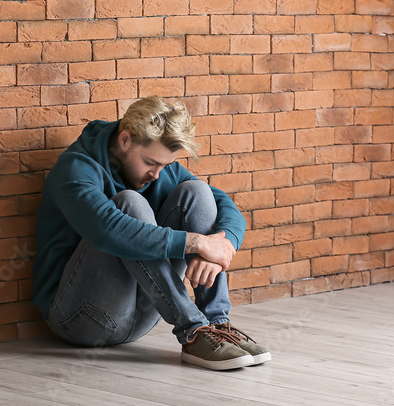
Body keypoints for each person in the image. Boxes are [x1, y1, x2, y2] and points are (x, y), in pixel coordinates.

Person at [32, 96, 270, 370]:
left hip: (144, 315)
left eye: (164, 166)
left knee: (198, 193)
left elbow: (224, 205)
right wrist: (196, 243)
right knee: (129, 204)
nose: (156, 175)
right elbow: (110, 231)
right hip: (81, 321)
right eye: (150, 162)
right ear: (125, 140)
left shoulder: (159, 168)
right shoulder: (75, 170)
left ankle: (216, 326)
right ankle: (193, 332)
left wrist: (221, 245)